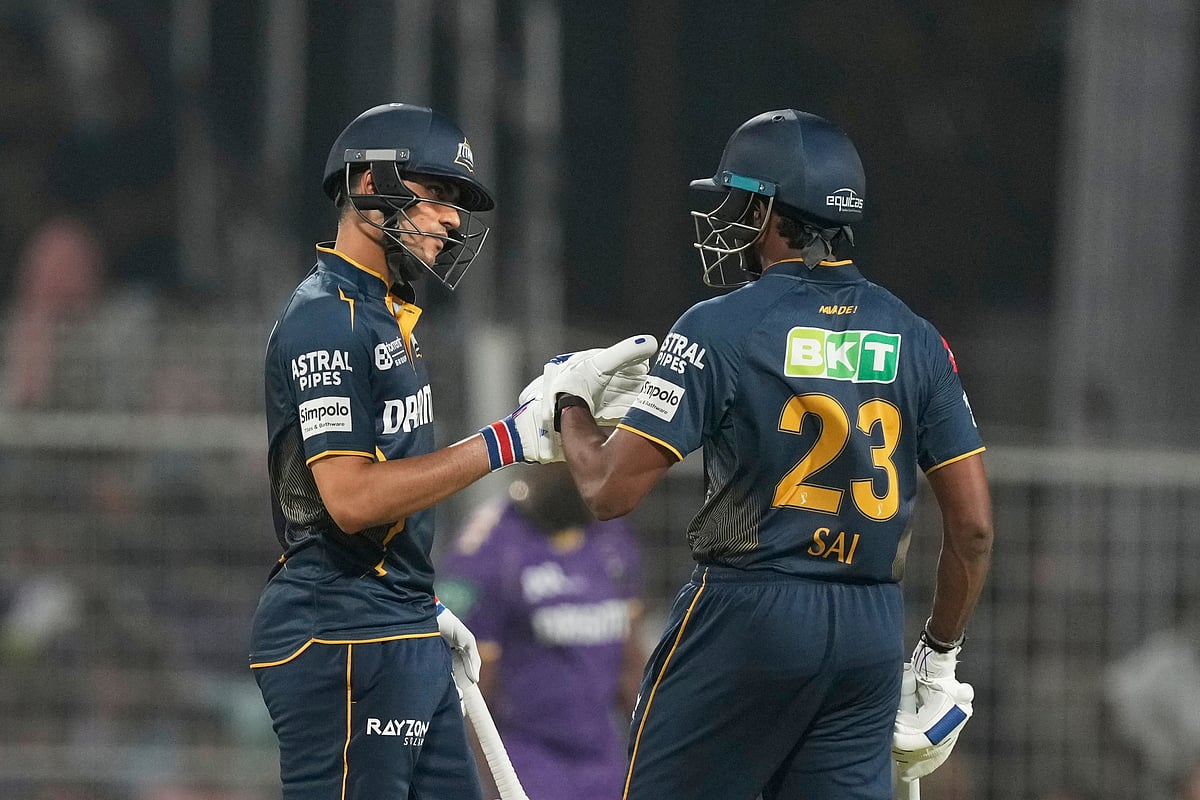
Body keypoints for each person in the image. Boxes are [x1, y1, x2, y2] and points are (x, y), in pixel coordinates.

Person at [546, 109, 995, 799]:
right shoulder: (918, 337)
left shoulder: (720, 327)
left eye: (739, 199)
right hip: (869, 627)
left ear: (769, 210)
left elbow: (608, 490)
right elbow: (974, 530)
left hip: (748, 613)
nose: (727, 216)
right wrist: (938, 656)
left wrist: (568, 402)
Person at [247, 102, 653, 799]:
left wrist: (419, 598)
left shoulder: (385, 314)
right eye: (436, 194)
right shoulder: (328, 319)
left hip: (394, 617)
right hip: (343, 629)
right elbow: (350, 499)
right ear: (371, 184)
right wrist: (507, 439)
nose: (452, 221)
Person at [438, 462, 646, 799]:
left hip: (604, 761)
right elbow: (471, 692)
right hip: (528, 761)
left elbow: (631, 668)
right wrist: (496, 787)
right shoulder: (491, 546)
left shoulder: (611, 536)